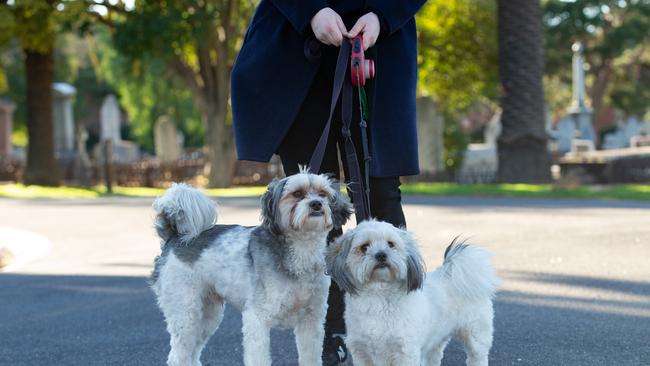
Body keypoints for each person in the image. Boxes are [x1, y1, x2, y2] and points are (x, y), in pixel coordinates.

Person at [231, 1, 426, 364]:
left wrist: (383, 16)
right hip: (297, 45)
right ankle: (330, 329)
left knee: (382, 195)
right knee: (313, 211)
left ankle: (405, 322)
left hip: (379, 48)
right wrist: (310, 12)